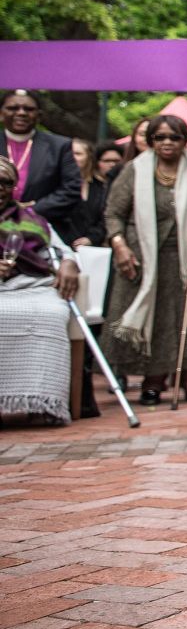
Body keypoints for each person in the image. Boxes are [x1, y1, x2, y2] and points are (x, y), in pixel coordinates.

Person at [103, 114, 187, 407]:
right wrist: (119, 245)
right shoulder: (134, 170)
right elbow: (113, 213)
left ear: (185, 141)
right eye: (160, 137)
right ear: (151, 141)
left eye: (175, 137)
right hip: (147, 258)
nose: (168, 143)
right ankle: (153, 381)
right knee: (157, 319)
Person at [0, 156, 81, 427]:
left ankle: (41, 400)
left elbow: (63, 250)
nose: (0, 188)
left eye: (5, 183)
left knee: (50, 313)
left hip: (30, 285)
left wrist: (69, 262)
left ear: (14, 187)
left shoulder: (32, 218)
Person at [3, 90, 80, 235]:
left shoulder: (59, 146)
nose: (21, 113)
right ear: (1, 114)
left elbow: (71, 189)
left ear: (39, 116)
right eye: (13, 108)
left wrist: (31, 210)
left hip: (42, 226)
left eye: (29, 109)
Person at [63, 138, 108, 249]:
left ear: (89, 157)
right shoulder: (55, 185)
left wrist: (91, 238)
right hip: (62, 246)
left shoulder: (101, 187)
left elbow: (106, 218)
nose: (72, 157)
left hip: (92, 250)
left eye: (78, 154)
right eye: (69, 153)